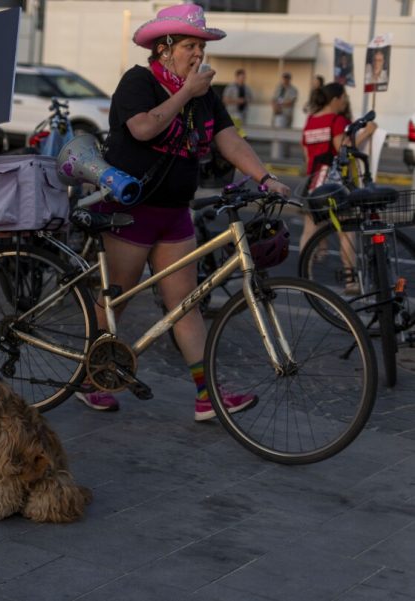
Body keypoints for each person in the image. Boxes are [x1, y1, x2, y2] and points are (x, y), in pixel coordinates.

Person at [76, 4, 290, 421]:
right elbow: (142, 128)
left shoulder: (205, 94)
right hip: (129, 209)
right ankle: (92, 377)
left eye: (201, 46)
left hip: (174, 211)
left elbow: (230, 140)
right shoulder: (139, 81)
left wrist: (265, 179)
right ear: (165, 48)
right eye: (190, 45)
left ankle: (206, 394)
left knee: (185, 304)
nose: (198, 54)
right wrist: (184, 94)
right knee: (115, 298)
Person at [299, 83, 377, 274]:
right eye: (344, 98)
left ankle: (304, 275)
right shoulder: (336, 120)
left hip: (314, 181)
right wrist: (368, 131)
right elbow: (343, 148)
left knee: (309, 231)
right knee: (347, 231)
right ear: (335, 99)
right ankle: (350, 278)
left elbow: (307, 155)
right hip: (334, 183)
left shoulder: (310, 121)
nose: (345, 102)